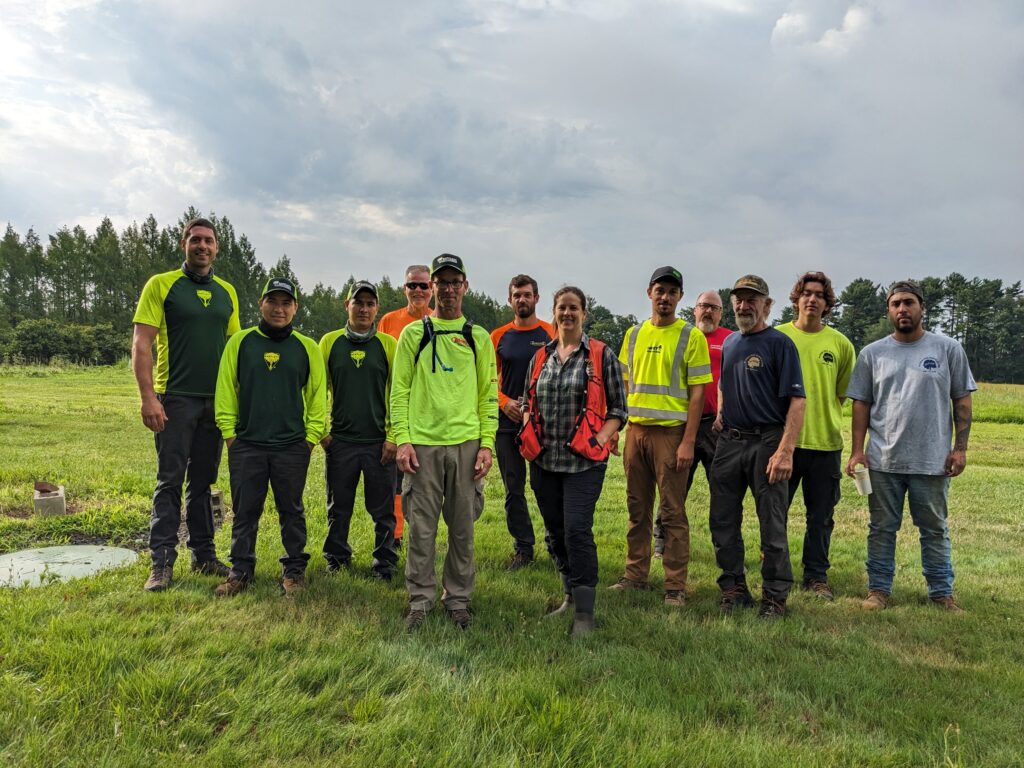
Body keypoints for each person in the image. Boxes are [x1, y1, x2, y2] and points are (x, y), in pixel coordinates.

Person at [845, 280, 976, 612]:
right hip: (883, 461)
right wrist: (857, 450)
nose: (902, 309)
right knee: (881, 529)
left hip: (932, 462)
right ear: (888, 310)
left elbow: (961, 399)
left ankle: (941, 592)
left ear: (922, 307)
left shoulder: (947, 349)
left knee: (934, 529)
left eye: (909, 302)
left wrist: (960, 448)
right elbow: (861, 403)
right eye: (895, 304)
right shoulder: (872, 354)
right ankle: (878, 591)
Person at [390, 254, 498, 631]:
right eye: (442, 282)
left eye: (456, 282)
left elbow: (488, 394)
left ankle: (458, 599)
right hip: (422, 445)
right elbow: (399, 390)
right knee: (421, 528)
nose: (449, 289)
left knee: (463, 528)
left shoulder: (477, 337)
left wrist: (486, 445)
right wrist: (403, 440)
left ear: (465, 286)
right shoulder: (414, 334)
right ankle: (419, 600)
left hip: (466, 443)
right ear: (431, 286)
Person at [132, 216, 240, 591]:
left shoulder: (227, 292)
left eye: (209, 241)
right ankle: (161, 563)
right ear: (184, 244)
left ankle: (204, 555)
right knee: (170, 481)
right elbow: (141, 344)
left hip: (215, 403)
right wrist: (149, 398)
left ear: (217, 248)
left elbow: (234, 351)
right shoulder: (161, 285)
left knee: (204, 482)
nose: (202, 246)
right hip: (174, 400)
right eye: (195, 240)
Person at [212, 277, 327, 596]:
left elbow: (318, 395)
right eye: (273, 302)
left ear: (295, 308)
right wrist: (230, 435)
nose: (279, 309)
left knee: (292, 510)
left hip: (292, 446)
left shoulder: (307, 347)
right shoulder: (240, 343)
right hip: (247, 445)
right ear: (260, 304)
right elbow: (225, 390)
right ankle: (240, 572)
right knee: (246, 510)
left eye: (286, 303)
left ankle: (294, 571)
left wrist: (310, 437)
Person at [525, 286, 627, 636]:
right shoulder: (541, 356)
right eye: (561, 308)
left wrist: (600, 438)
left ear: (584, 313)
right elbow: (528, 401)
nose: (567, 313)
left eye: (573, 308)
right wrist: (528, 430)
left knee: (577, 531)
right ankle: (567, 595)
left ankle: (585, 614)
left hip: (583, 463)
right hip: (543, 461)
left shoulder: (600, 355)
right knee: (554, 532)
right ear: (553, 312)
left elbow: (618, 409)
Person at [610, 267, 711, 607]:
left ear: (680, 297)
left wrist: (688, 441)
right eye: (659, 290)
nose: (665, 297)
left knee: (672, 512)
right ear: (649, 293)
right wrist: (617, 430)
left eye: (671, 291)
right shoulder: (633, 334)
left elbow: (698, 395)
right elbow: (624, 386)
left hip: (671, 435)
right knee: (637, 509)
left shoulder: (690, 336)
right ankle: (635, 575)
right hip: (636, 433)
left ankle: (674, 586)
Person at [709, 275, 805, 620]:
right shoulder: (732, 342)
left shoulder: (780, 344)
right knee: (722, 521)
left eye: (752, 299)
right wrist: (722, 410)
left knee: (772, 525)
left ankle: (775, 597)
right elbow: (723, 382)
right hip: (730, 442)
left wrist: (785, 450)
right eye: (739, 299)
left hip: (767, 443)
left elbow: (797, 400)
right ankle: (733, 589)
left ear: (767, 305)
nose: (743, 305)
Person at [777, 272, 855, 601]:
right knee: (775, 512)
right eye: (806, 293)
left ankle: (816, 576)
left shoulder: (840, 345)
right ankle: (775, 568)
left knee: (821, 516)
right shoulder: (777, 338)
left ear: (827, 304)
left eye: (819, 295)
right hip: (782, 446)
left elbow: (840, 395)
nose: (812, 299)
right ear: (796, 299)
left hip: (825, 445)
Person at [319, 280, 399, 581]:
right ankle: (337, 558)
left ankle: (384, 563)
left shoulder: (389, 345)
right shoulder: (328, 343)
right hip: (341, 442)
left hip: (380, 444)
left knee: (383, 511)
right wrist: (324, 435)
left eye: (370, 304)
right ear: (347, 305)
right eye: (358, 303)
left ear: (377, 308)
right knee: (338, 507)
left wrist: (393, 437)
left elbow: (398, 393)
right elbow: (315, 390)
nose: (364, 309)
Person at [652, 289, 732, 557]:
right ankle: (662, 543)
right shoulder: (683, 336)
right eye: (703, 306)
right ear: (694, 309)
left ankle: (726, 550)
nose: (708, 311)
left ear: (721, 313)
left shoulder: (731, 340)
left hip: (716, 426)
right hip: (682, 424)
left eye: (714, 307)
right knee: (672, 487)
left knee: (722, 490)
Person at [490, 275, 555, 570]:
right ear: (510, 299)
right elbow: (487, 380)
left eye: (527, 294)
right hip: (508, 421)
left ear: (537, 298)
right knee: (513, 488)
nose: (522, 300)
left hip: (542, 422)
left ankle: (556, 544)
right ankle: (523, 548)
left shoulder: (551, 333)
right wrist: (505, 403)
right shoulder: (499, 336)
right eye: (516, 295)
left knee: (546, 486)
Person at [377, 265, 434, 548]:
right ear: (404, 289)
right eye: (413, 285)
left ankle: (425, 537)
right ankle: (395, 536)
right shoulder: (389, 321)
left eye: (424, 286)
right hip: (398, 411)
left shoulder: (442, 322)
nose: (418, 291)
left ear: (432, 289)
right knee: (397, 479)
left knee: (428, 481)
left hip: (432, 416)